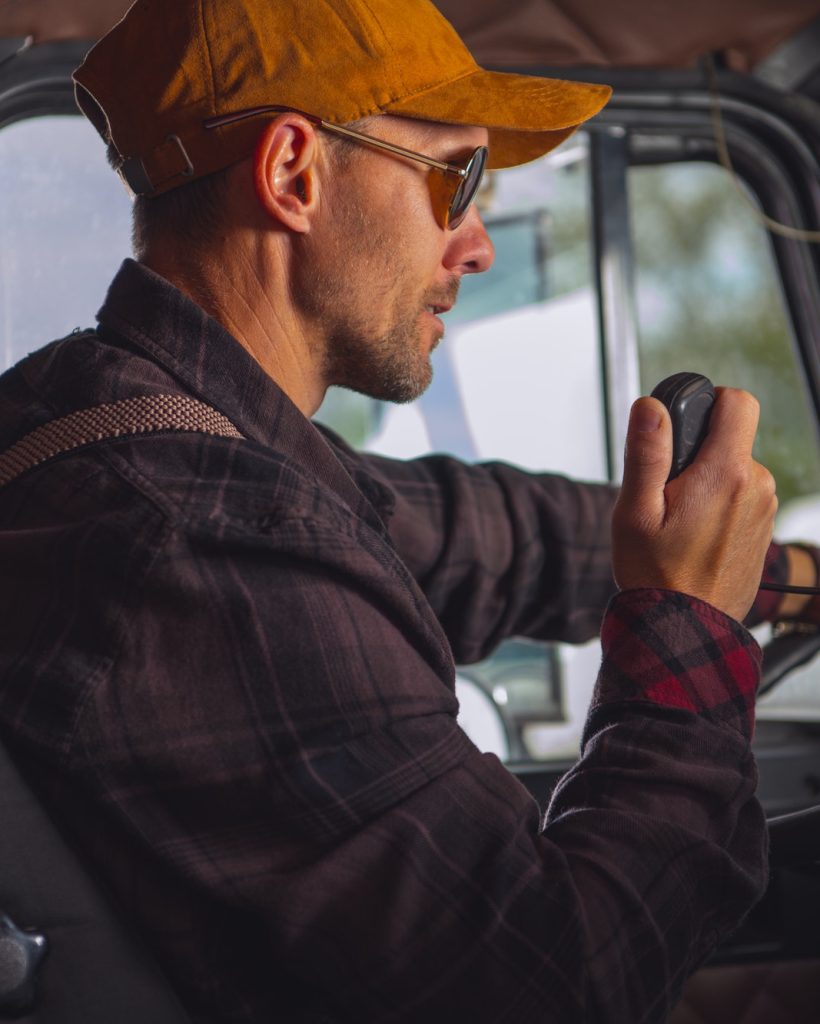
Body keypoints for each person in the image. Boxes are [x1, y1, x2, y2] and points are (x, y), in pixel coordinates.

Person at [0, 0, 818, 1020]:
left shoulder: (105, 421)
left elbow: (469, 535)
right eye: (455, 180)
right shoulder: (200, 541)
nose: (474, 246)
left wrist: (776, 580)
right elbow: (561, 982)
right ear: (293, 173)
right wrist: (687, 627)